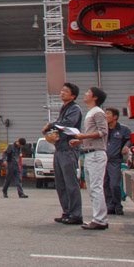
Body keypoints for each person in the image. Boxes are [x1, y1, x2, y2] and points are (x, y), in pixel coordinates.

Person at [43, 82, 83, 225]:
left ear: (73, 95)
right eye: (61, 90)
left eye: (65, 91)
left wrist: (51, 125)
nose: (62, 92)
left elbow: (68, 124)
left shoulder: (74, 109)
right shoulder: (63, 108)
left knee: (71, 183)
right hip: (59, 149)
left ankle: (76, 214)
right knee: (60, 184)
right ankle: (67, 212)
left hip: (68, 149)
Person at [70, 86, 109, 230]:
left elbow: (102, 132)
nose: (85, 94)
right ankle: (98, 218)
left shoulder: (98, 112)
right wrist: (80, 141)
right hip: (90, 153)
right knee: (92, 187)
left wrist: (82, 136)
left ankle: (100, 219)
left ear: (95, 97)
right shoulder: (91, 113)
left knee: (96, 187)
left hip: (96, 153)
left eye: (88, 92)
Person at [104, 107, 132, 215]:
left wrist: (126, 146)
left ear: (115, 117)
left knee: (114, 184)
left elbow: (129, 140)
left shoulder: (123, 129)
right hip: (103, 160)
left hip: (114, 160)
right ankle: (109, 206)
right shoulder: (103, 129)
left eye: (108, 114)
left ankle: (118, 205)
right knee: (105, 184)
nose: (105, 116)